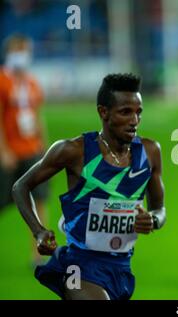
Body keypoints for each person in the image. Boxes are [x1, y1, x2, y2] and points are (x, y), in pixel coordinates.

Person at [12, 73, 166, 300]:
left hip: (121, 268)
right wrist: (39, 231)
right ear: (103, 112)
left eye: (138, 112)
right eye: (125, 112)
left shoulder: (150, 152)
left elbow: (160, 210)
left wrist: (152, 220)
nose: (134, 120)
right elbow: (20, 187)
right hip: (77, 266)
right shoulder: (74, 151)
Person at [0, 34, 49, 266]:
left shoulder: (31, 82)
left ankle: (38, 253)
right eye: (20, 50)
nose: (24, 55)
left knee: (39, 199)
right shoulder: (2, 80)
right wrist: (3, 149)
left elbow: (37, 116)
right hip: (11, 150)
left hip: (32, 150)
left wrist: (45, 146)